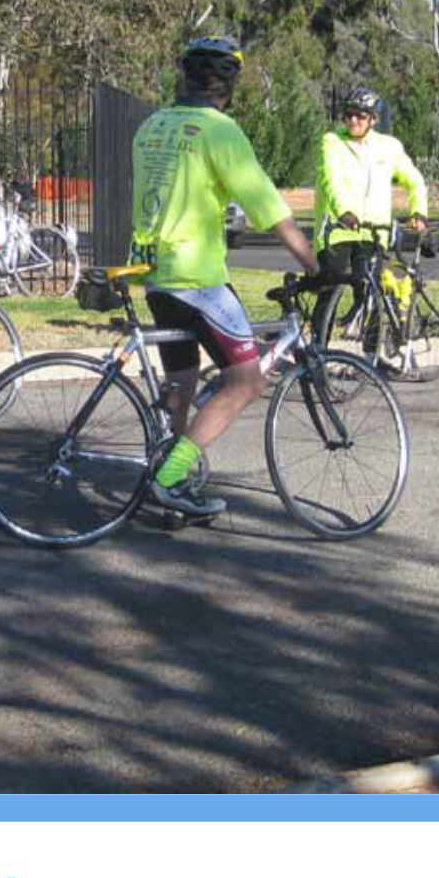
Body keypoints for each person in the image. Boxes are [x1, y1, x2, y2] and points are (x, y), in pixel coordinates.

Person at [130, 34, 318, 521]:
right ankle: (169, 478)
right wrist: (316, 264)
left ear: (185, 77)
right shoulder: (220, 131)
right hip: (198, 276)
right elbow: (270, 210)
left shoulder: (151, 125)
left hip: (156, 275)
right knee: (246, 379)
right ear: (229, 85)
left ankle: (171, 468)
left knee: (184, 377)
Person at [311, 85, 428, 340]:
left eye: (360, 115)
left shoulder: (389, 147)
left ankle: (372, 358)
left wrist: (418, 211)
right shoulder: (332, 142)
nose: (353, 120)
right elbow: (332, 180)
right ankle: (317, 351)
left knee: (372, 295)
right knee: (329, 292)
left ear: (373, 120)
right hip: (338, 231)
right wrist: (345, 212)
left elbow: (414, 180)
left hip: (374, 232)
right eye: (349, 114)